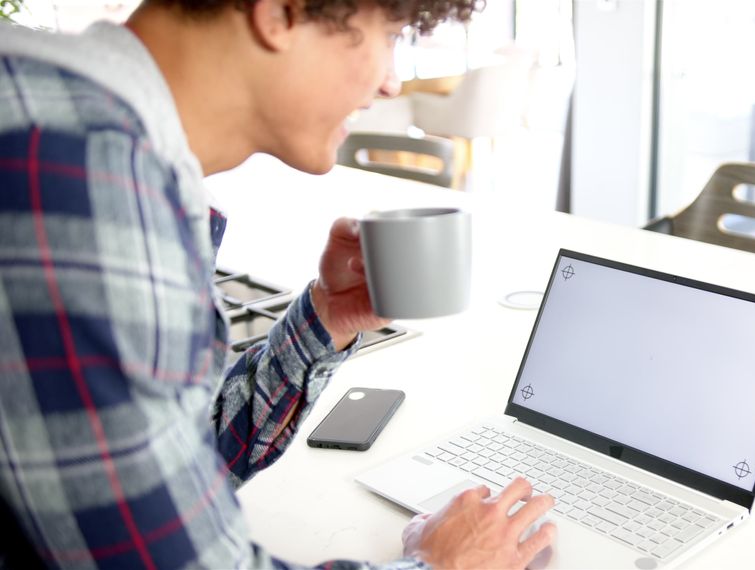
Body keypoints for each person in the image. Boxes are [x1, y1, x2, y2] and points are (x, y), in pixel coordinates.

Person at [0, 0, 556, 567]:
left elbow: (173, 463)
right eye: (387, 35)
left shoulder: (75, 128)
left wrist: (327, 320)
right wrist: (441, 565)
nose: (391, 83)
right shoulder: (79, 175)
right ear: (281, 14)